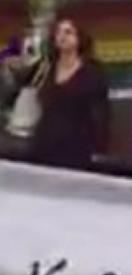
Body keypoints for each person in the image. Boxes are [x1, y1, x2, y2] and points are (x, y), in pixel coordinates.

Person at [26, 17, 110, 171]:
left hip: (75, 150)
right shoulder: (47, 68)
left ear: (79, 38)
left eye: (68, 32)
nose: (62, 36)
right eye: (58, 32)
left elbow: (100, 115)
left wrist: (98, 150)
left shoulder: (91, 73)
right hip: (44, 144)